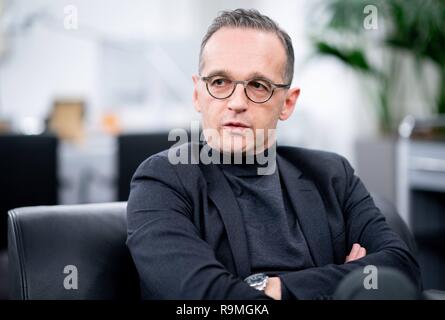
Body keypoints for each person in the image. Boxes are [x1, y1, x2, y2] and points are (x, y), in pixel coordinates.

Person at [126, 8, 421, 300]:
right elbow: (205, 296)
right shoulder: (162, 181)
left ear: (287, 103)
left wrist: (273, 288)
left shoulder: (333, 175)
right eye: (219, 82)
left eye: (258, 85)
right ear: (197, 94)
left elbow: (401, 269)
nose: (236, 102)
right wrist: (341, 282)